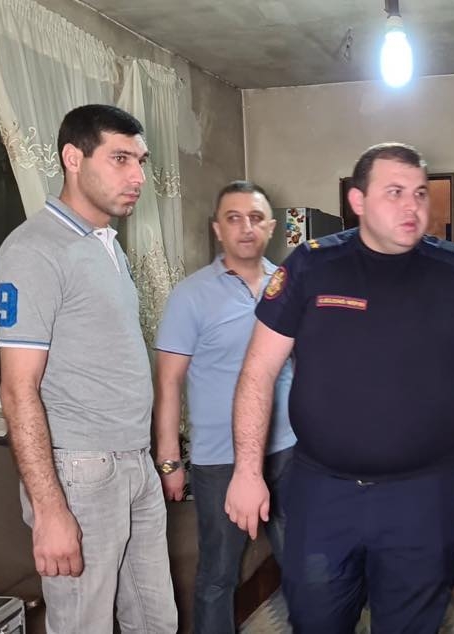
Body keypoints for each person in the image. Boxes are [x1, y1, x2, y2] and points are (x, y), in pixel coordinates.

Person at [225, 142, 454, 633]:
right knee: (316, 620)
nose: (412, 207)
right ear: (358, 201)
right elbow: (257, 372)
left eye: (420, 193)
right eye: (394, 192)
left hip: (423, 495)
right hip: (323, 493)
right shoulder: (311, 266)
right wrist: (246, 471)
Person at [0, 104, 177, 633]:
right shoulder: (34, 250)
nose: (137, 176)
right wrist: (50, 510)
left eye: (140, 161)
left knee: (156, 623)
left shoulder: (105, 246)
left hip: (134, 460)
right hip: (81, 469)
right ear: (73, 159)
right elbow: (17, 389)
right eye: (120, 159)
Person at [153, 180, 296, 633]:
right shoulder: (191, 295)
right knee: (218, 574)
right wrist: (170, 460)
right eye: (234, 218)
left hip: (288, 450)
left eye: (255, 218)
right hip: (220, 459)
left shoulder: (288, 287)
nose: (245, 227)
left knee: (304, 565)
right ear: (218, 229)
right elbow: (168, 382)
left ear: (270, 227)